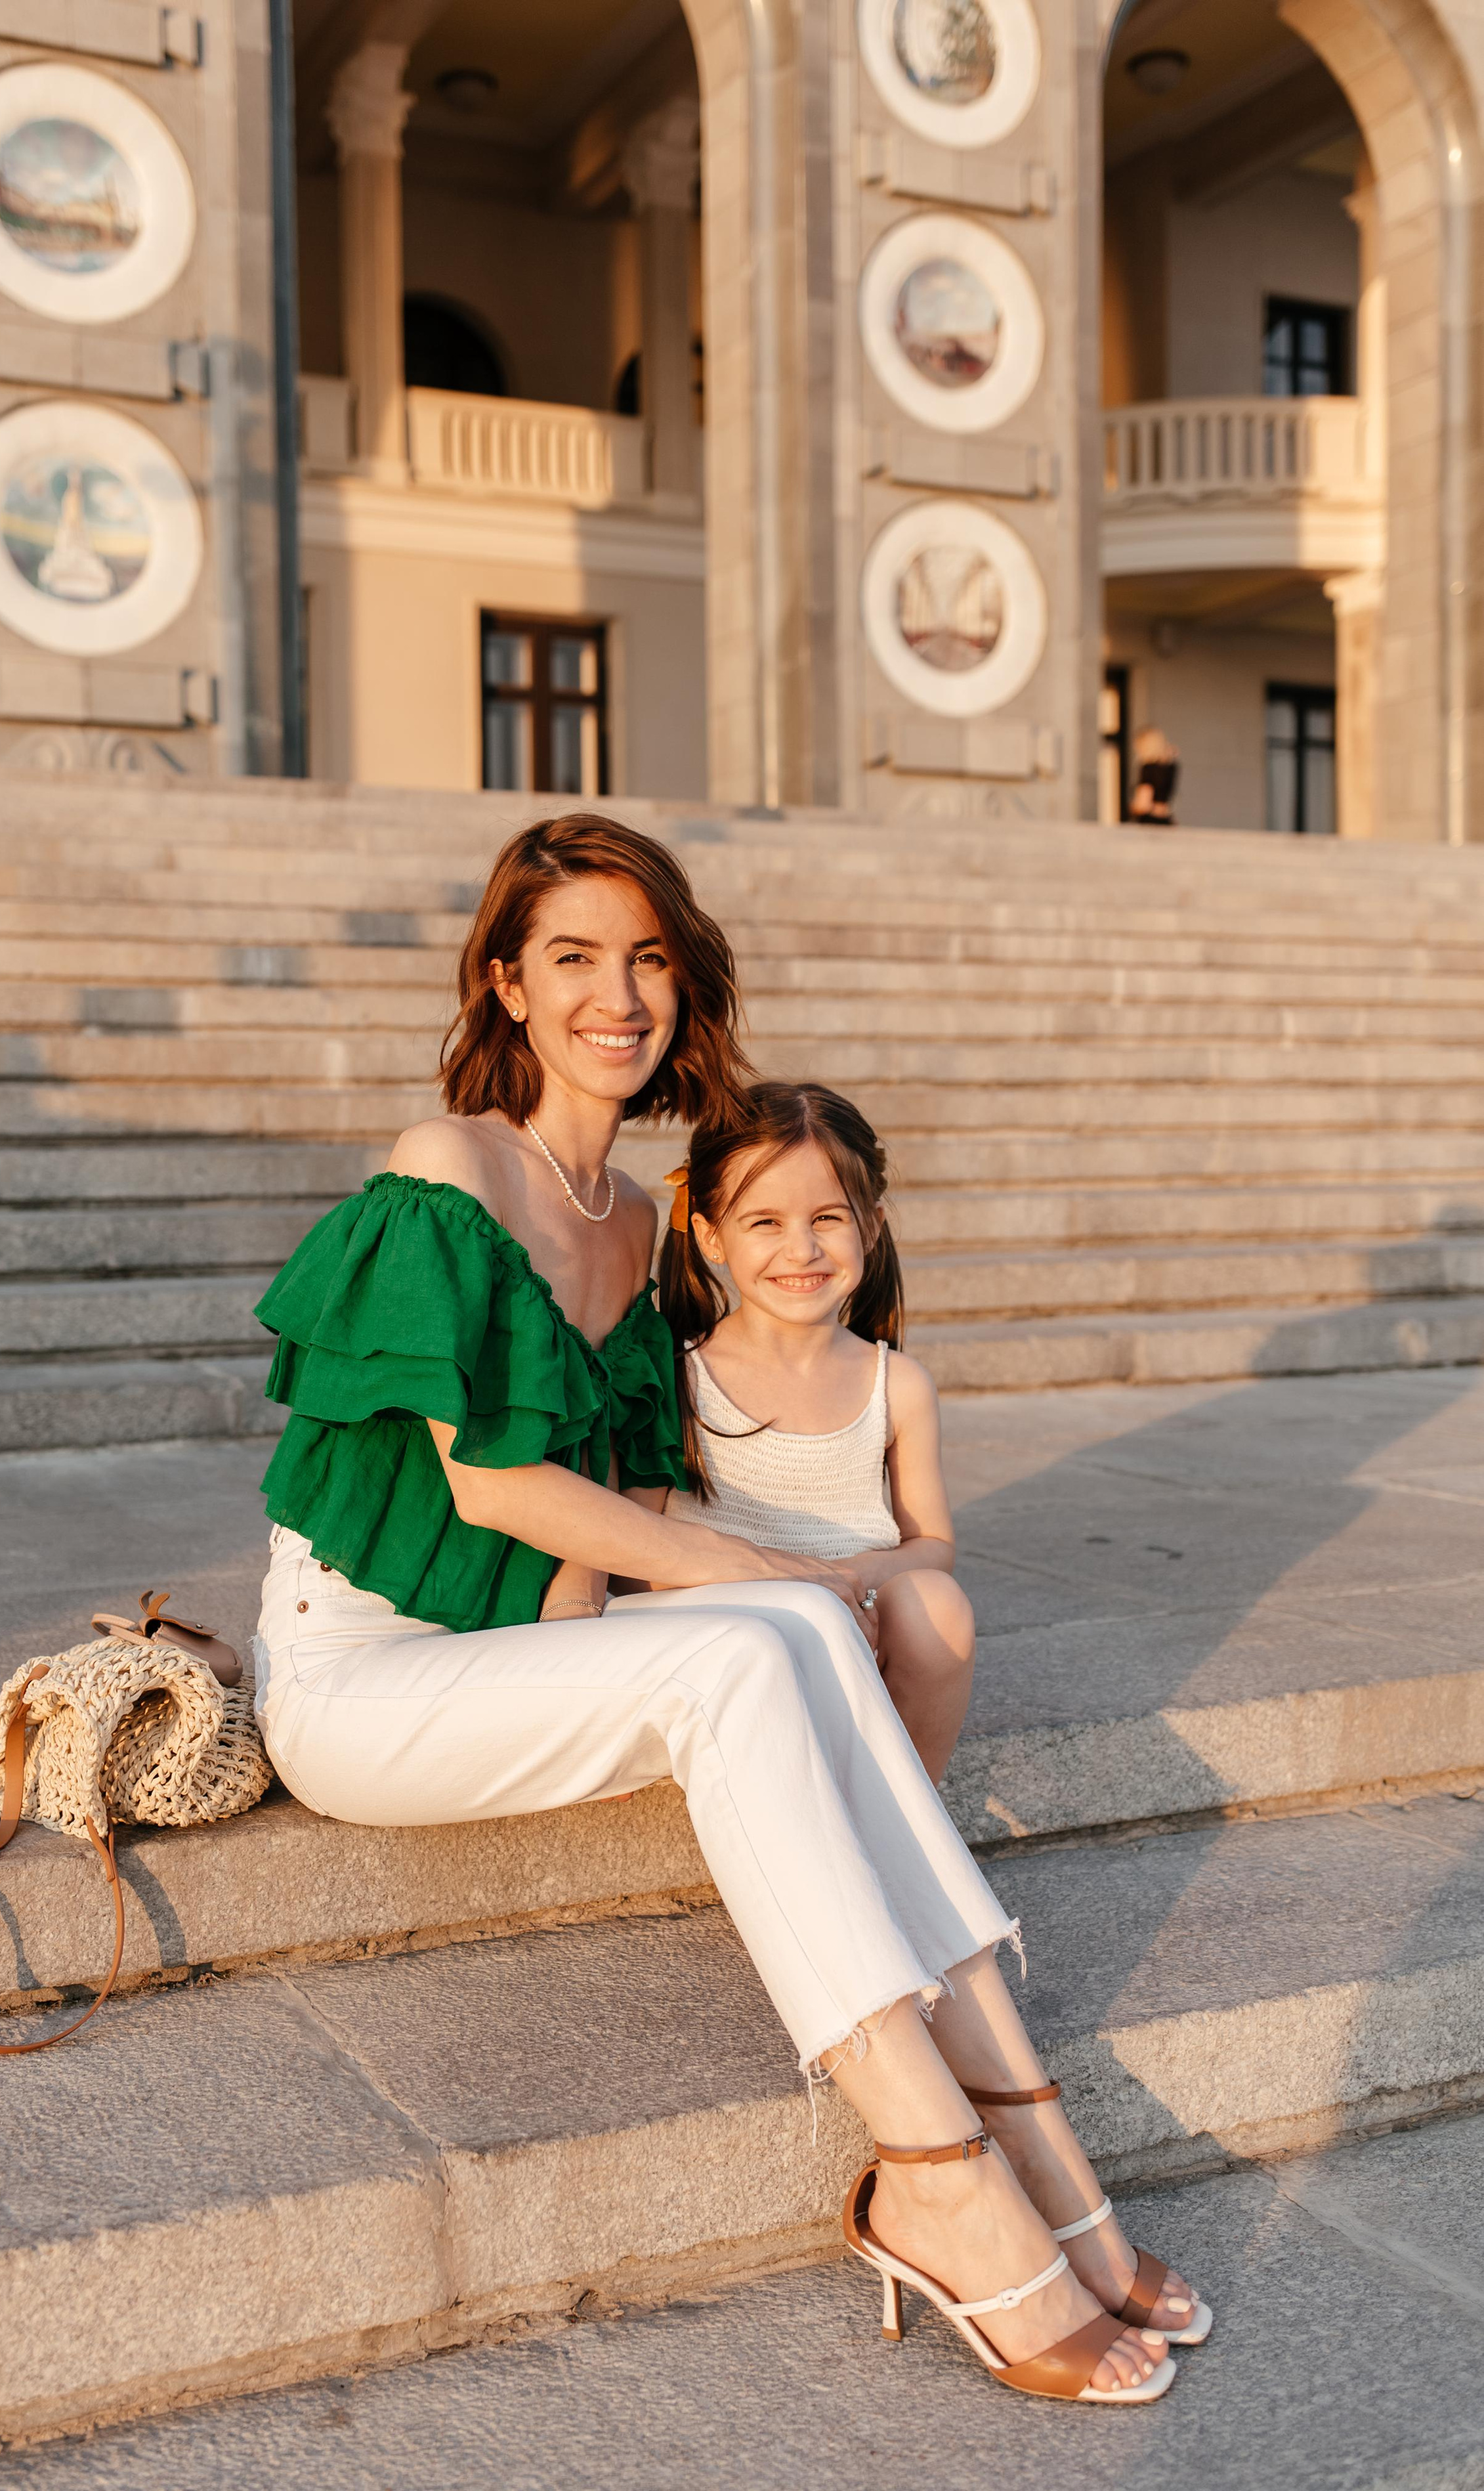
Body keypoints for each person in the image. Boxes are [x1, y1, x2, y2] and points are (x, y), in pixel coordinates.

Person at [251, 812, 1206, 2402]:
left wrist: (762, 1599)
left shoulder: (639, 1224)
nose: (614, 994)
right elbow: (494, 1488)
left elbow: (634, 1510)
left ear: (682, 986)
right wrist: (785, 1582)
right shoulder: (444, 1174)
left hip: (514, 1654)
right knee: (757, 1640)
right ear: (501, 983)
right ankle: (934, 2166)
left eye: (645, 958)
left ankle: (1023, 2117)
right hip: (360, 1677)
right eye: (570, 958)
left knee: (781, 1636)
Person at [632, 1079, 973, 1787]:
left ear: (870, 1226)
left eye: (827, 1218)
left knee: (938, 1607)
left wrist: (843, 1584)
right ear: (710, 1235)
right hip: (725, 1634)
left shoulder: (897, 1384)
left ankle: (913, 1807)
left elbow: (931, 1546)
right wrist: (800, 1593)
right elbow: (635, 1557)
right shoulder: (674, 1375)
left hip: (859, 1626)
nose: (802, 1249)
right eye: (764, 1223)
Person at [1130, 725, 1180, 824]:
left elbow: (1143, 804)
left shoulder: (1148, 769)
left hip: (1150, 821)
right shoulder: (1171, 767)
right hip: (1166, 819)